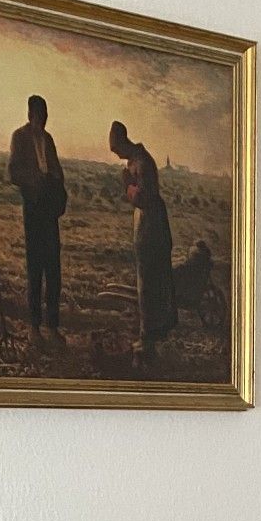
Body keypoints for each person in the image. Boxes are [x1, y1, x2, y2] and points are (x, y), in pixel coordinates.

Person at [108, 120, 178, 363]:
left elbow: (145, 198)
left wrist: (128, 186)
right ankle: (149, 334)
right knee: (147, 283)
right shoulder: (135, 160)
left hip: (152, 230)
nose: (116, 155)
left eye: (116, 150)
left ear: (123, 143)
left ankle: (149, 338)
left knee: (149, 283)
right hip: (148, 226)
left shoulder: (143, 162)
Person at [8, 96, 68, 345]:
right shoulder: (19, 137)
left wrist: (54, 182)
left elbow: (57, 170)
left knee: (53, 269)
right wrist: (36, 181)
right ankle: (34, 328)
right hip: (33, 208)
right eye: (39, 114)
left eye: (45, 114)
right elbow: (14, 172)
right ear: (30, 113)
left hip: (49, 209)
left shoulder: (49, 139)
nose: (42, 119)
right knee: (35, 269)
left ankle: (52, 327)